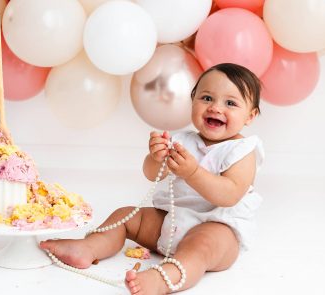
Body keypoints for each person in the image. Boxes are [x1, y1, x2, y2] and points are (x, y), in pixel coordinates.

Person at [40, 63, 264, 294]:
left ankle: (163, 278)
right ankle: (89, 247)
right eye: (206, 98)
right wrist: (157, 158)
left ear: (250, 115)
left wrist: (193, 173)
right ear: (193, 100)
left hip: (217, 227)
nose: (215, 108)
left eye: (230, 103)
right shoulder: (182, 140)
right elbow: (150, 174)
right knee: (126, 215)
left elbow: (229, 194)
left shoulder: (242, 150)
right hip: (171, 220)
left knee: (201, 247)